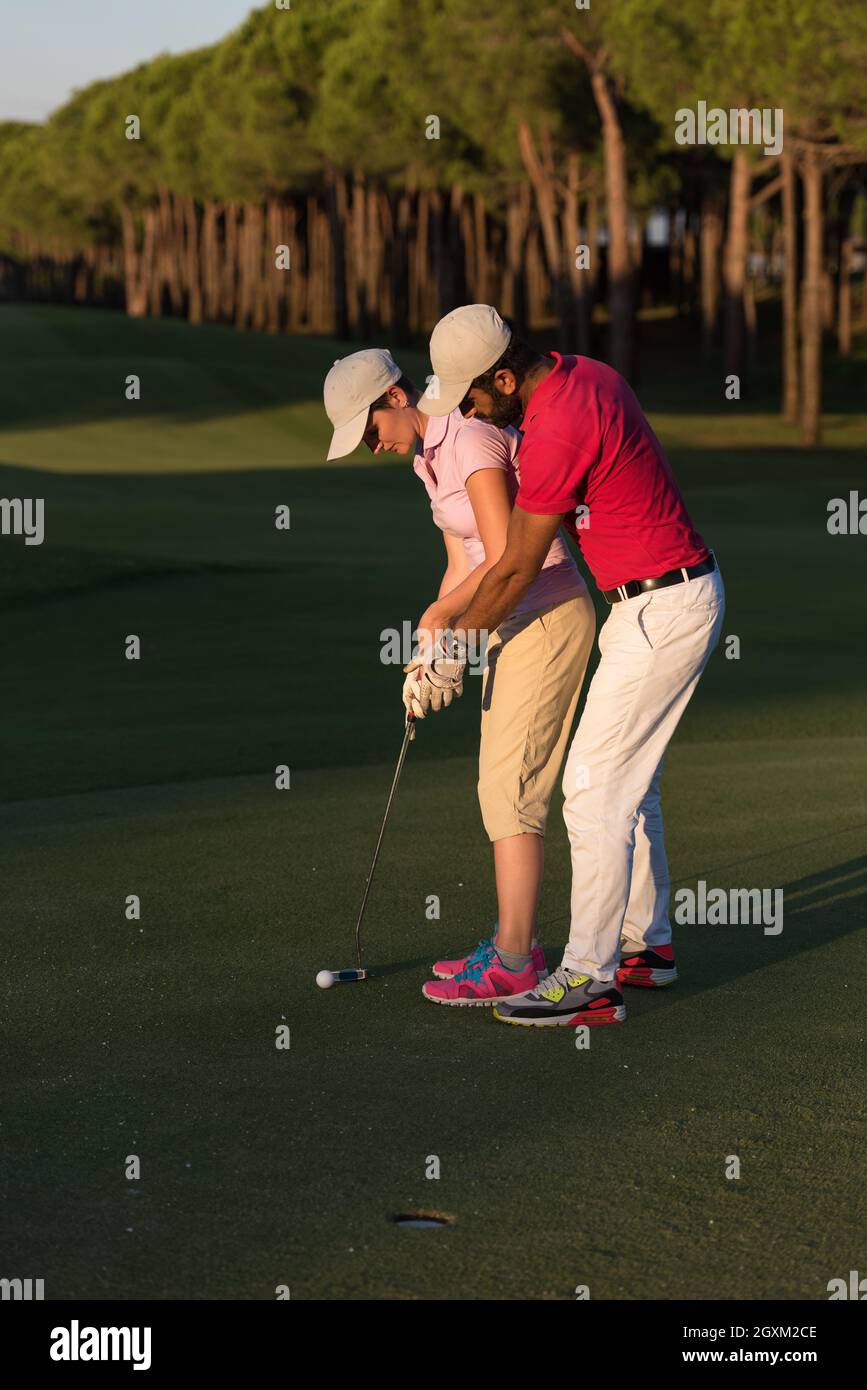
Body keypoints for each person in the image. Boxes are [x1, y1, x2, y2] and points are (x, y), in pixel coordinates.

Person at [414, 306, 725, 1028]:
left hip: (662, 608)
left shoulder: (554, 429)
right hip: (650, 601)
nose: (465, 411)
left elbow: (517, 565)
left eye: (469, 397)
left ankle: (587, 979)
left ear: (501, 375)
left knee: (588, 789)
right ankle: (645, 948)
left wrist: (453, 644)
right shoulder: (583, 373)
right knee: (629, 784)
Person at [323, 347, 596, 1006]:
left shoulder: (468, 436)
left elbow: (508, 553)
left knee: (512, 790)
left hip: (549, 612)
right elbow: (461, 561)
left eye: (367, 430)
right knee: (497, 786)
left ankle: (515, 962)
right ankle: (512, 944)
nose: (369, 446)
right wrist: (430, 648)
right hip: (506, 621)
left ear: (394, 396)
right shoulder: (427, 456)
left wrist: (444, 616)